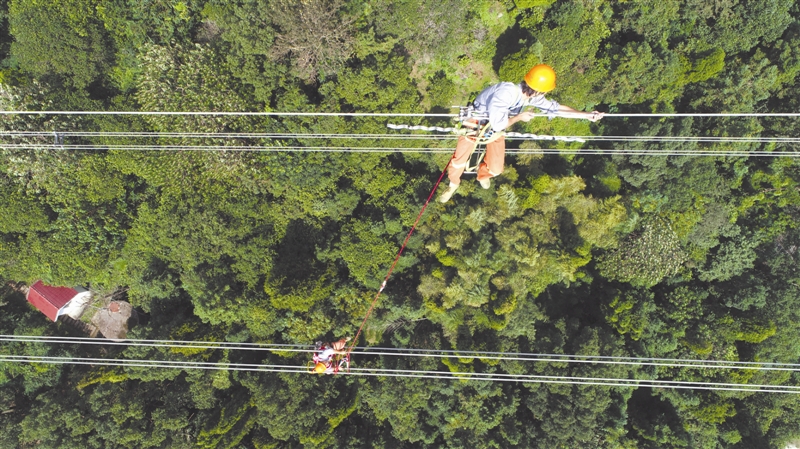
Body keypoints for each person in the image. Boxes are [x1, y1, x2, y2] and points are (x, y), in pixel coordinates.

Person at [438, 64, 604, 203]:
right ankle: (453, 184)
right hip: (475, 121)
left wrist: (586, 115)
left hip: (496, 126)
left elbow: (556, 108)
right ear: (539, 90)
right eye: (545, 92)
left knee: (496, 169)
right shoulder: (507, 92)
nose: (545, 95)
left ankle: (483, 175)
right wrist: (519, 117)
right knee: (459, 161)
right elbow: (498, 124)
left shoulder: (532, 98)